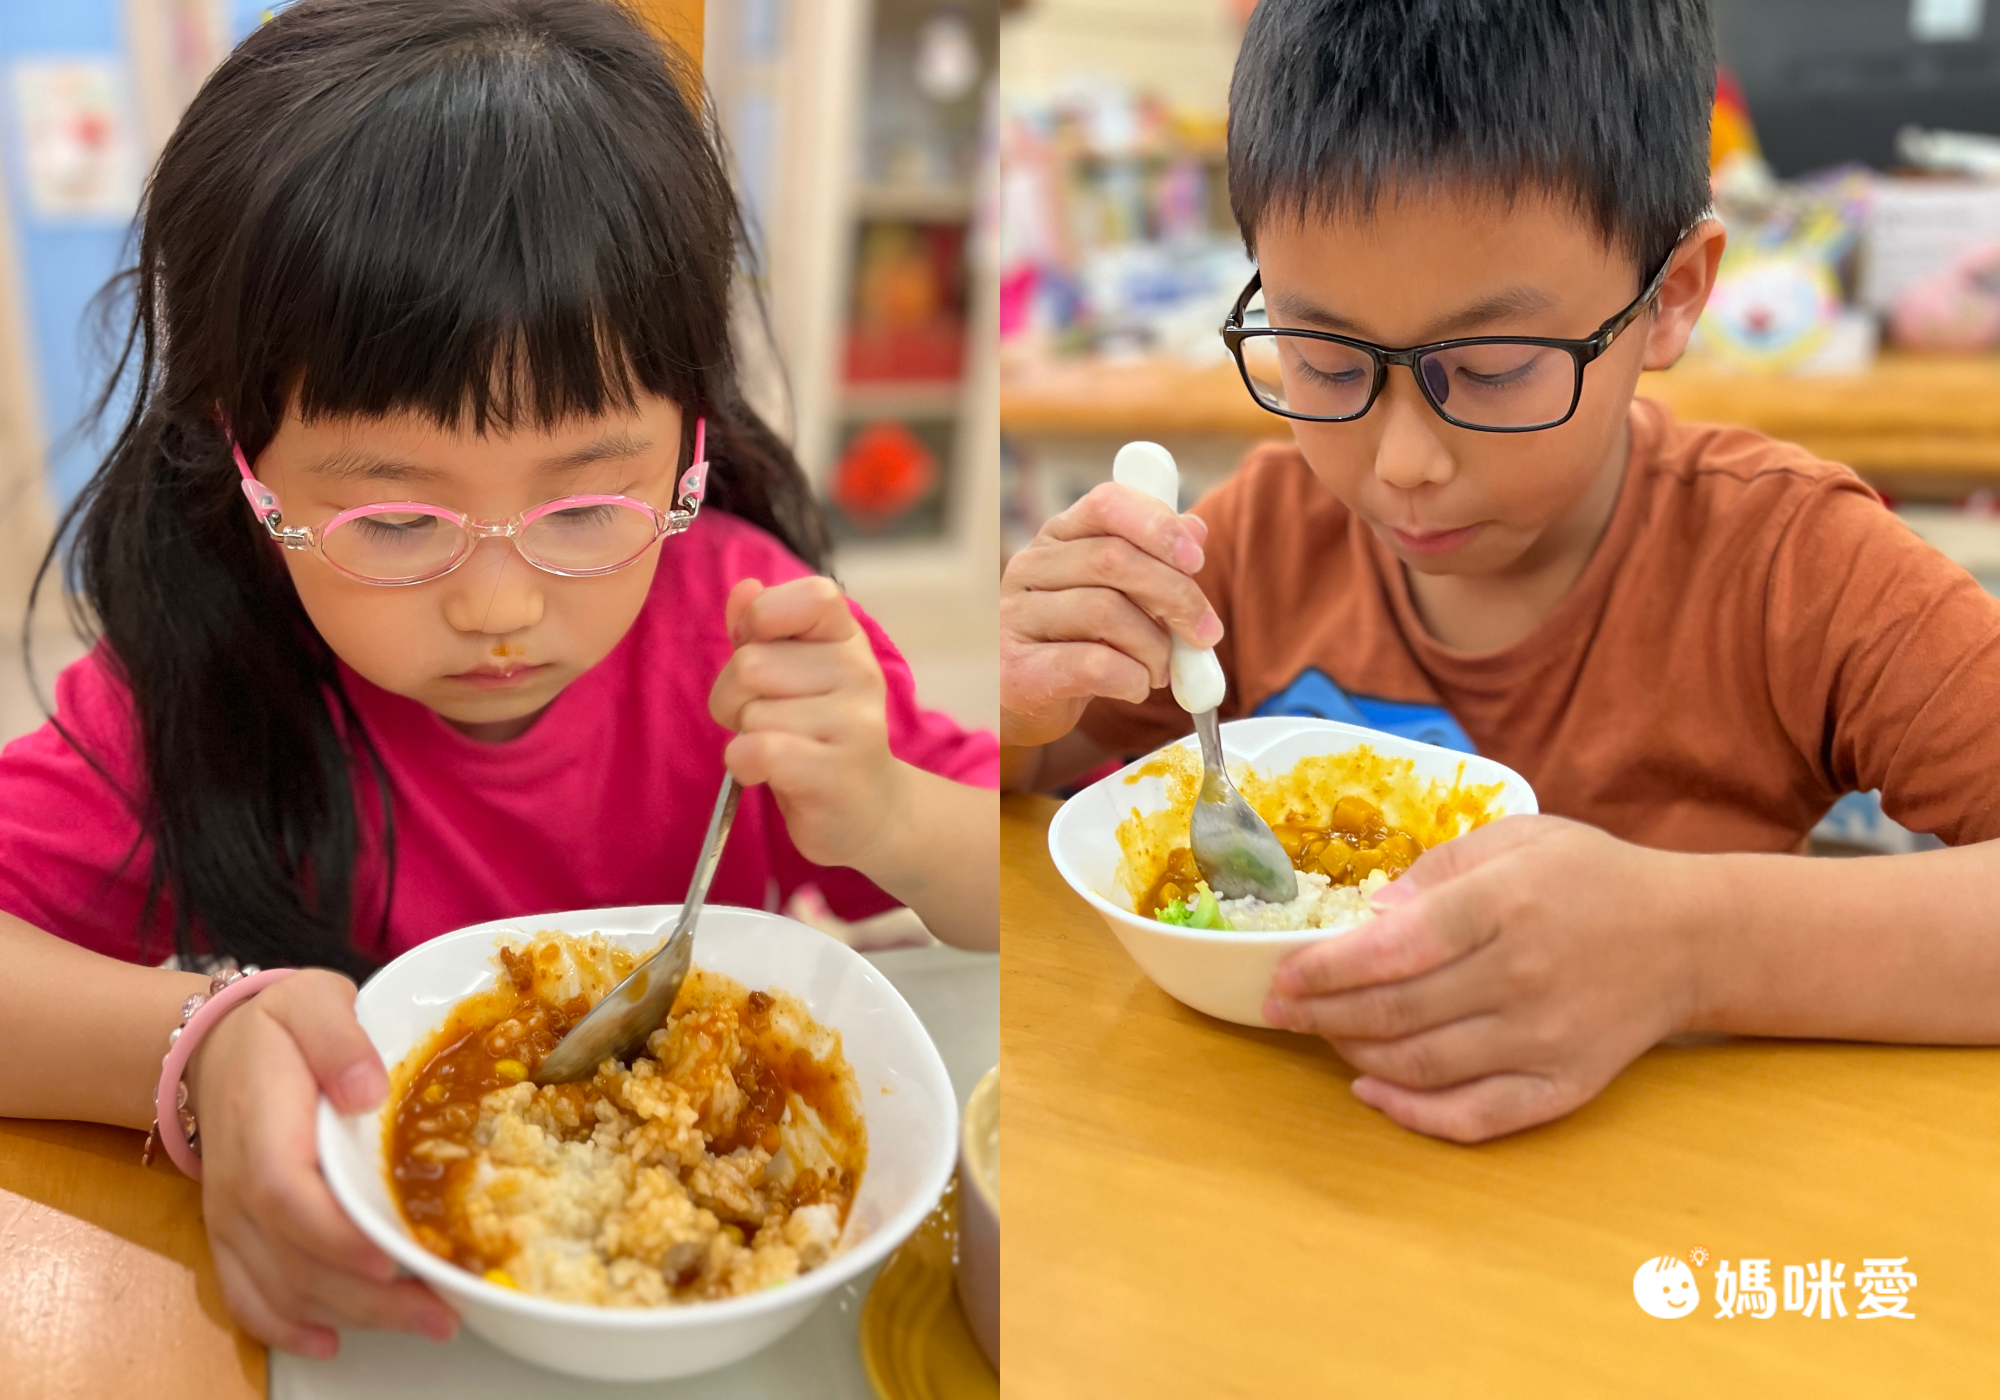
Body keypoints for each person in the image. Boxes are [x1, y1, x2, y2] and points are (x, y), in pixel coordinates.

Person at [0, 0, 996, 1359]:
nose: (502, 604)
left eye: (588, 503)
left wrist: (889, 814)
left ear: (688, 437)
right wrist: (193, 1043)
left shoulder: (751, 632)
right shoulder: (194, 681)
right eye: (395, 524)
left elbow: (1036, 890)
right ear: (245, 465)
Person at [1001, 0, 2000, 1147]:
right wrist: (1018, 700)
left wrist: (1688, 946)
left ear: (1669, 296)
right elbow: (1046, 792)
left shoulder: (1786, 566)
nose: (1404, 462)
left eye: (1488, 369)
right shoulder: (1251, 547)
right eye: (1324, 358)